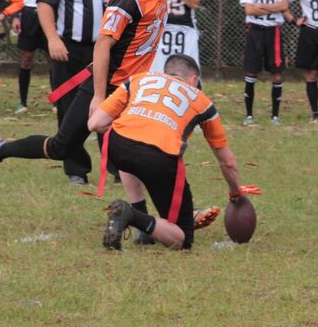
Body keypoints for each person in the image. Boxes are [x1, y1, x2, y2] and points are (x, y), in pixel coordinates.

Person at [0, 0, 192, 204]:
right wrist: (99, 96)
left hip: (134, 88)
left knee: (144, 149)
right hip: (108, 84)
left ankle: (163, 216)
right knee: (61, 147)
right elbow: (103, 45)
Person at [87, 54, 244, 250]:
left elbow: (94, 123)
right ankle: (133, 216)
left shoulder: (139, 79)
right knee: (182, 238)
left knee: (129, 146)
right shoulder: (203, 101)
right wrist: (236, 193)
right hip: (159, 158)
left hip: (117, 146)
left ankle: (143, 228)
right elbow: (227, 161)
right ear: (194, 79)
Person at [36, 0, 130, 184]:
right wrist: (53, 38)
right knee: (69, 110)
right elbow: (44, 4)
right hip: (70, 51)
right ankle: (76, 169)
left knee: (112, 107)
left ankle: (117, 167)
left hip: (108, 50)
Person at [239, 0, 293, 125]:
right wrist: (274, 7)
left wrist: (262, 6)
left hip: (273, 31)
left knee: (277, 74)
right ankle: (249, 115)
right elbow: (249, 10)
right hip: (254, 30)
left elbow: (285, 5)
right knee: (251, 72)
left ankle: (275, 116)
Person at [12, 0, 57, 114]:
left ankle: (57, 101)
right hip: (29, 13)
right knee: (26, 58)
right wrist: (16, 16)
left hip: (48, 12)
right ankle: (22, 102)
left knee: (53, 58)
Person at [149, 0, 202, 73]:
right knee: (158, 70)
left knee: (188, 68)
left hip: (185, 30)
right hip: (161, 28)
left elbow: (195, 4)